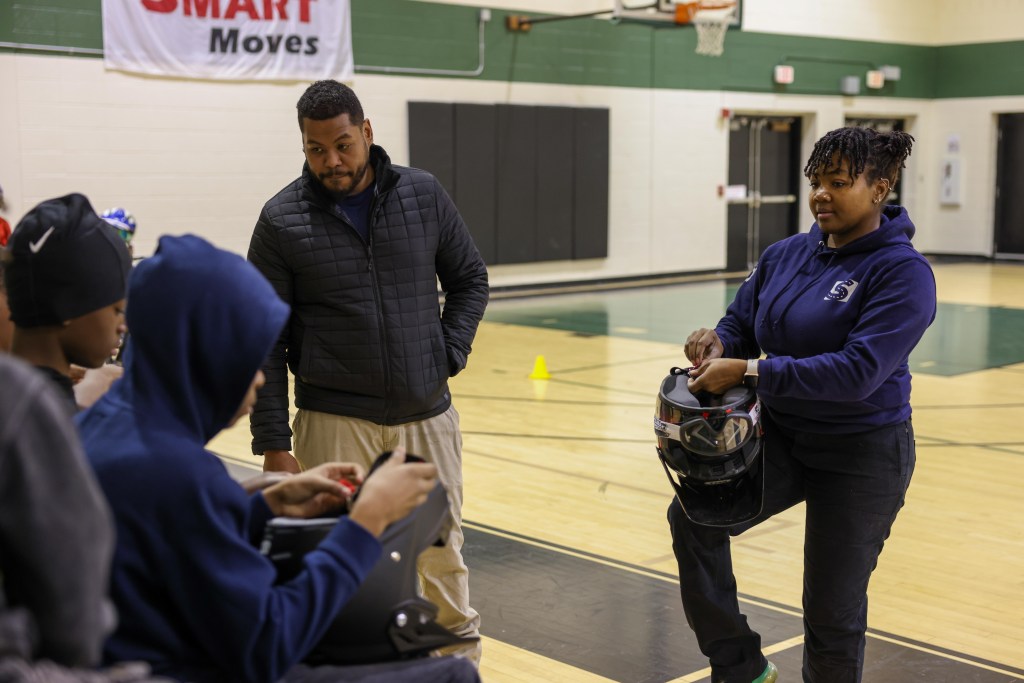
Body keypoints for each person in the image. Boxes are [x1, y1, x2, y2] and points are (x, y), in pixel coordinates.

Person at [76, 234, 479, 683]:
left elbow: (171, 542)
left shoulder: (110, 421)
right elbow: (268, 643)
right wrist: (367, 524)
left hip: (145, 650)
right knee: (451, 675)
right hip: (181, 667)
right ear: (203, 354)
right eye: (245, 358)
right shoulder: (174, 468)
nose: (259, 380)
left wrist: (264, 505)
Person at [668, 127, 936, 683]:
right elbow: (741, 322)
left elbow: (856, 373)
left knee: (831, 612)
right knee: (693, 518)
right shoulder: (785, 254)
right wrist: (719, 343)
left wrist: (747, 370)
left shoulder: (903, 273)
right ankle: (738, 667)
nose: (821, 195)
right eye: (817, 182)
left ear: (881, 187)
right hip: (782, 438)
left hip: (863, 453)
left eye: (839, 183)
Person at [248, 79, 489, 661]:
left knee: (441, 555)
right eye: (315, 149)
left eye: (342, 144)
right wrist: (274, 443)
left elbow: (469, 281)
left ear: (367, 132)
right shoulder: (281, 220)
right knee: (341, 559)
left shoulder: (423, 194)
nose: (332, 160)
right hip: (333, 421)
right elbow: (264, 341)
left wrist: (446, 353)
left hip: (426, 415)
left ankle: (459, 672)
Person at [2, 193, 130, 409]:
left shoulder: (14, 394)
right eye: (116, 310)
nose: (122, 326)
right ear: (66, 304)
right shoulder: (44, 420)